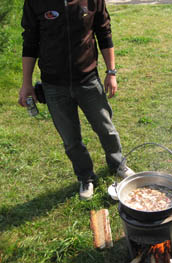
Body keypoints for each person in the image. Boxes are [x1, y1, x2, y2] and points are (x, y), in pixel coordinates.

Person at [18, 0, 134, 200]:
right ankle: (86, 177)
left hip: (88, 80)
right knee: (71, 140)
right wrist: (26, 83)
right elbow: (30, 42)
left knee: (106, 128)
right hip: (53, 85)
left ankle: (118, 165)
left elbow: (104, 32)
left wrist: (111, 72)